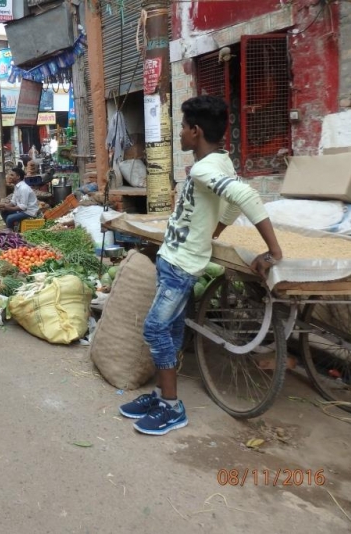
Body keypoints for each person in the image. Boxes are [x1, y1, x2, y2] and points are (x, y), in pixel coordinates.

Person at [115, 95, 283, 436]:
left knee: (154, 330)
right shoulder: (222, 162)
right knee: (173, 330)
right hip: (177, 258)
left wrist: (273, 251)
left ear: (196, 130)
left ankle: (172, 407)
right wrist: (211, 233)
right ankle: (162, 395)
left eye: (182, 128)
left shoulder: (205, 168)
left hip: (180, 265)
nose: (179, 135)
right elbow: (231, 208)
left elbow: (246, 198)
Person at [0, 166, 39, 231]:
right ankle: (11, 228)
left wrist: (8, 207)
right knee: (3, 211)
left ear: (18, 177)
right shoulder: (17, 187)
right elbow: (13, 202)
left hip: (29, 212)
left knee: (9, 218)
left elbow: (23, 207)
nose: (9, 176)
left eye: (12, 175)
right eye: (9, 174)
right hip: (22, 210)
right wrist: (4, 206)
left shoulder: (23, 188)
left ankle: (10, 233)